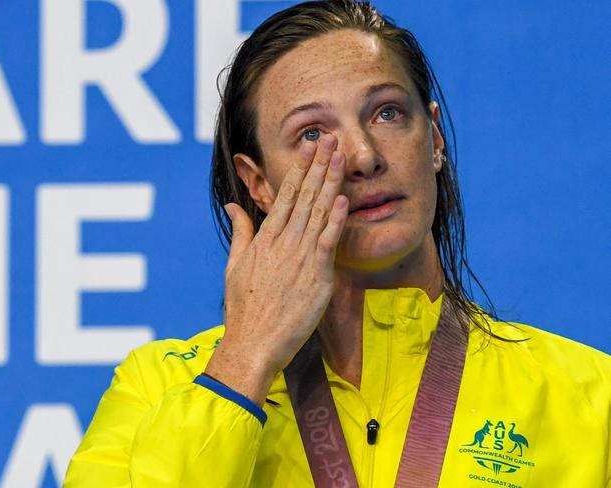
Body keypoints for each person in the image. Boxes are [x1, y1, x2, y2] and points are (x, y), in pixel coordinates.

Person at [63, 1, 611, 487]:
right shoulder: (157, 386)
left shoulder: (592, 398)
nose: (364, 155)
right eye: (311, 134)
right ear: (258, 184)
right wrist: (242, 364)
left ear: (436, 139)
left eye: (387, 113)